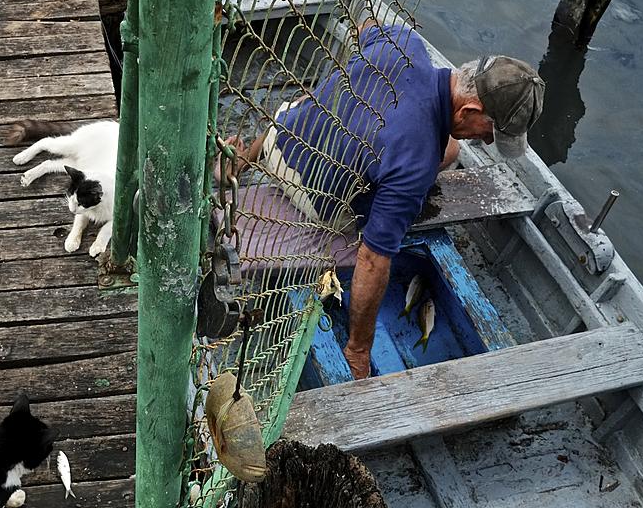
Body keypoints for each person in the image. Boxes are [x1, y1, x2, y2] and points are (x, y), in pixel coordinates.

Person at [222, 20, 544, 380]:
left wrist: (360, 85)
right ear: (467, 112)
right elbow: (372, 260)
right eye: (488, 133)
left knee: (334, 103)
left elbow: (364, 26)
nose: (484, 143)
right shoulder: (417, 159)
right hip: (312, 196)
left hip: (280, 138)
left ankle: (240, 161)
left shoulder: (405, 42)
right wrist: (359, 348)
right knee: (438, 158)